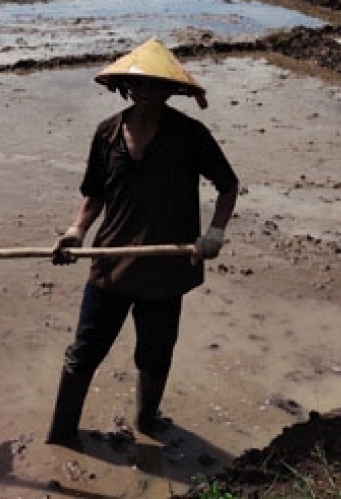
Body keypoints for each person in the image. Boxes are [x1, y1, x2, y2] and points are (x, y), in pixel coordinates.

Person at [46, 38, 239, 446]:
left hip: (165, 271)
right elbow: (94, 195)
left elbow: (227, 186)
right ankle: (61, 436)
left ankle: (147, 424)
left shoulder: (190, 135)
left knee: (155, 354)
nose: (144, 91)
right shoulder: (107, 133)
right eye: (137, 83)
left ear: (171, 89)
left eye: (154, 84)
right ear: (124, 86)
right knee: (84, 351)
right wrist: (76, 231)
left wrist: (215, 233)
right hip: (110, 264)